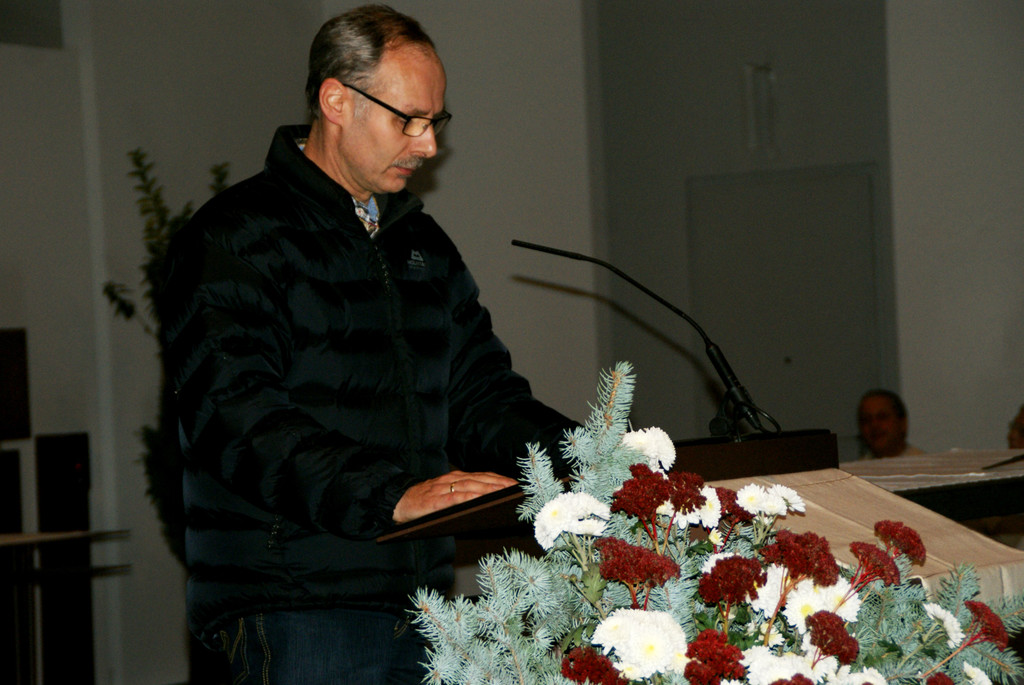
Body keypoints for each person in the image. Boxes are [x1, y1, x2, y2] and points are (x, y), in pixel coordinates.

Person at [157, 6, 576, 683]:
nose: (428, 145)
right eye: (408, 119)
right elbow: (236, 419)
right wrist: (392, 496)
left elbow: (482, 400)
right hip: (295, 610)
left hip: (425, 610)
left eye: (435, 122)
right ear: (336, 101)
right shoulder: (234, 238)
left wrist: (599, 462)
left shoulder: (422, 245)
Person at [856, 389, 925, 459]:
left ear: (903, 423)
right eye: (866, 419)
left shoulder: (923, 463)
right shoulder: (858, 465)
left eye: (882, 417)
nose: (874, 425)